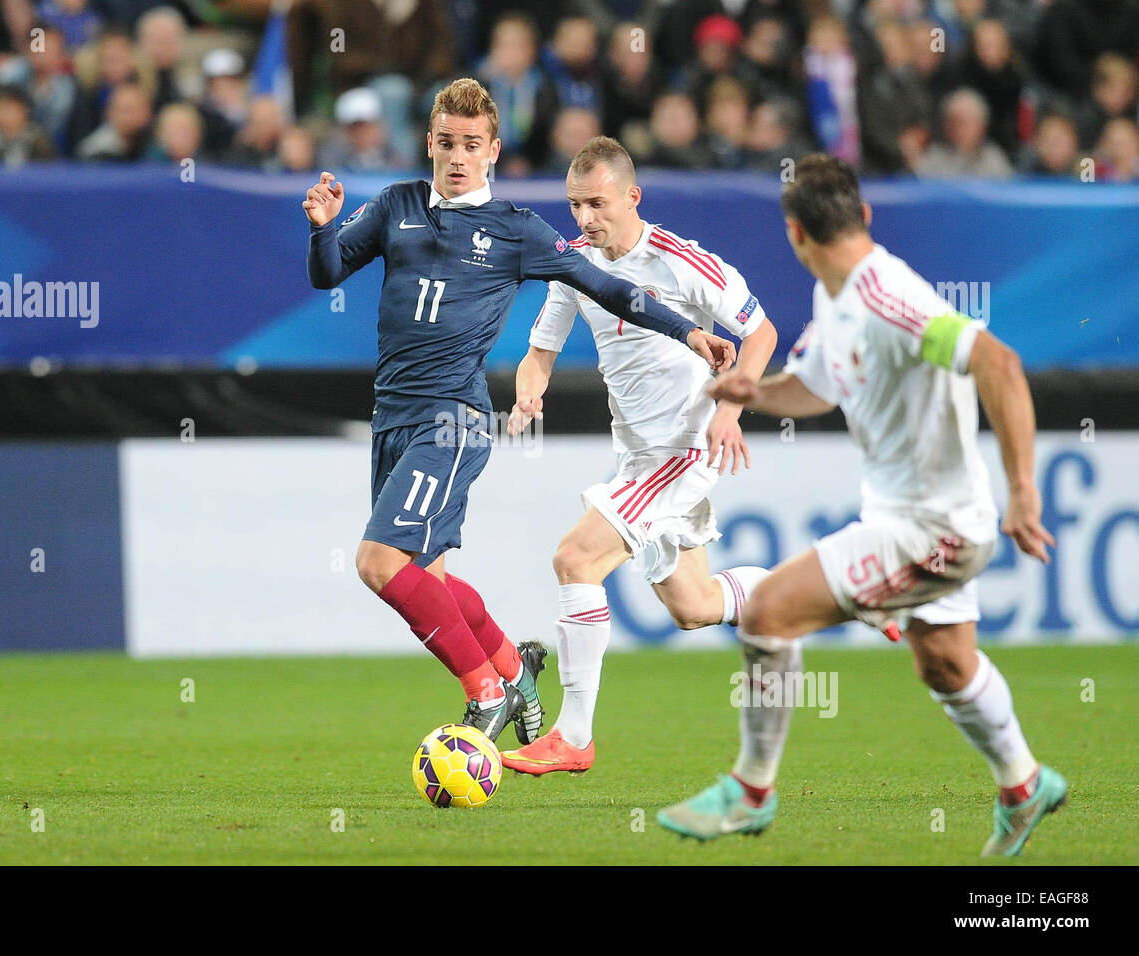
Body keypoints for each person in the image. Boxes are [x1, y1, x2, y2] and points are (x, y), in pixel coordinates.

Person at [302, 77, 738, 744]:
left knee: (378, 562)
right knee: (424, 576)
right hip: (392, 414)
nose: (456, 156)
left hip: (449, 419)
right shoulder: (394, 206)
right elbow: (328, 273)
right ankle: (515, 669)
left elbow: (609, 288)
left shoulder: (516, 231)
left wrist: (688, 332)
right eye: (445, 142)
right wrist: (323, 230)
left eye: (470, 145)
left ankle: (487, 693)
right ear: (428, 143)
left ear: (493, 150)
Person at [658, 154, 1066, 858]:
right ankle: (1024, 784)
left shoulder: (888, 297)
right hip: (910, 518)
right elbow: (816, 389)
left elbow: (997, 363)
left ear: (794, 234)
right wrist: (754, 394)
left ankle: (751, 792)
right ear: (864, 214)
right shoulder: (837, 296)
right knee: (944, 662)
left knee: (767, 613)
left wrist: (1023, 489)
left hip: (934, 529)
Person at [500, 136, 777, 775]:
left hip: (686, 448)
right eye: (575, 205)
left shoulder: (682, 263)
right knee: (696, 605)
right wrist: (530, 385)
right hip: (637, 457)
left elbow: (759, 332)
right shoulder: (575, 264)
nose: (585, 218)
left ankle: (573, 737)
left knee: (575, 558)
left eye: (597, 203)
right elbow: (542, 348)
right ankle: (838, 588)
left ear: (633, 197)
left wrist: (733, 410)